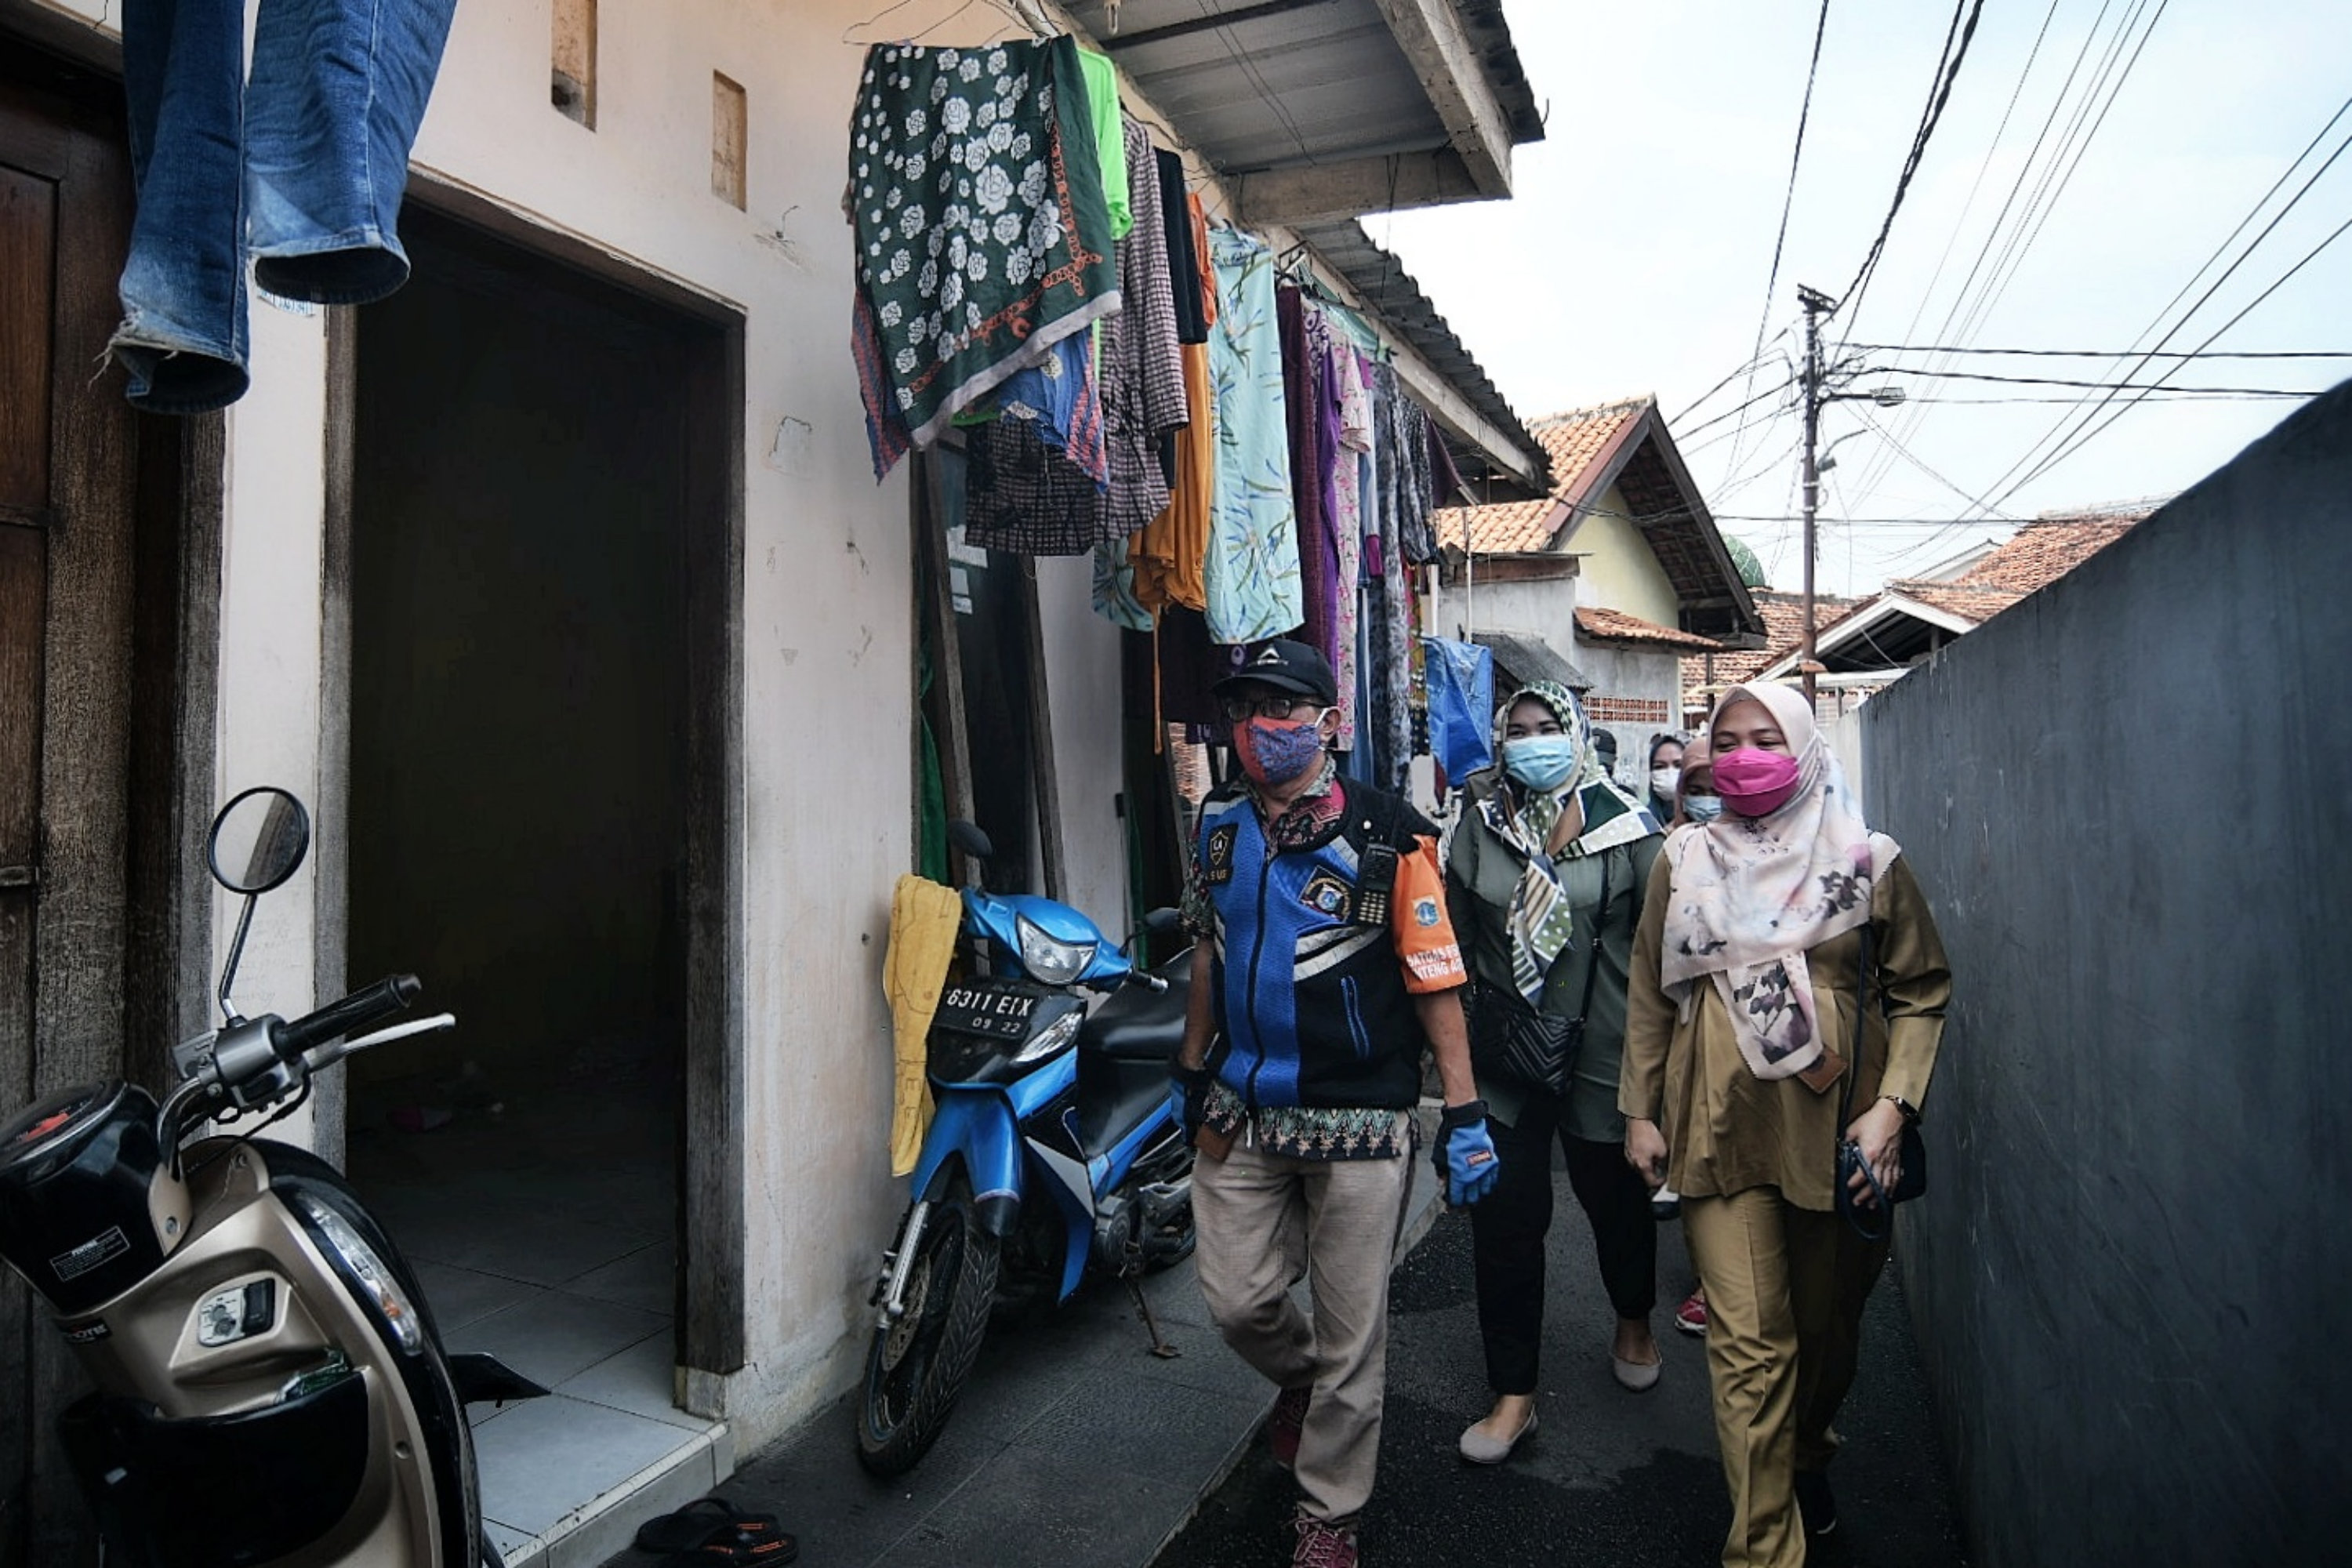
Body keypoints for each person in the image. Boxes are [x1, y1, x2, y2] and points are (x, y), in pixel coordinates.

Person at [1171, 638, 1499, 1568]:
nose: (1257, 726)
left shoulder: (1394, 833)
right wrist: (1192, 1068)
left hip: (1359, 1116)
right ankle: (1306, 1384)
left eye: (1280, 707)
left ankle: (1330, 1512)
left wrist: (1464, 1115)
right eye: (1244, 708)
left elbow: (1435, 978)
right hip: (1240, 1106)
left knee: (1356, 1328)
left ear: (1328, 724)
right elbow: (1206, 948)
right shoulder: (1220, 822)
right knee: (1237, 1301)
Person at [1621, 682, 1950, 1566]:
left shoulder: (1869, 860)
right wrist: (1640, 1109)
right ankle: (1765, 1546)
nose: (1744, 755)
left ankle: (1806, 1453)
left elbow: (1920, 991)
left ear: (1805, 746)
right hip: (1720, 1129)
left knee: (1826, 1338)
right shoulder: (1683, 856)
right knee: (1749, 1349)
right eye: (1726, 740)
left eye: (1767, 737)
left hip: (1841, 1136)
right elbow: (1653, 987)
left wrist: (1894, 1105)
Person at [1443, 682, 1666, 1466]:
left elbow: (1659, 954)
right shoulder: (1478, 829)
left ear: (1575, 734)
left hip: (1606, 1052)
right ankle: (1514, 1394)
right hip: (1509, 1056)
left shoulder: (1632, 827)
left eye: (1547, 728)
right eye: (1518, 730)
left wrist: (1656, 1082)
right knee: (1505, 1224)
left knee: (1615, 1203)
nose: (1531, 741)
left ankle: (1633, 1313)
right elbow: (1460, 948)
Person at [1664, 737, 1718, 1338]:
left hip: (1781, 1044)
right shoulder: (1671, 854)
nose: (1706, 803)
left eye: (1714, 788)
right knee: (1703, 1164)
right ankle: (1712, 1281)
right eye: (1694, 791)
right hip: (1691, 1039)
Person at [1645, 732, 1686, 823]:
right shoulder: (1643, 823)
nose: (1670, 773)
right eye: (1660, 767)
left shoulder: (1704, 818)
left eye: (1678, 765)